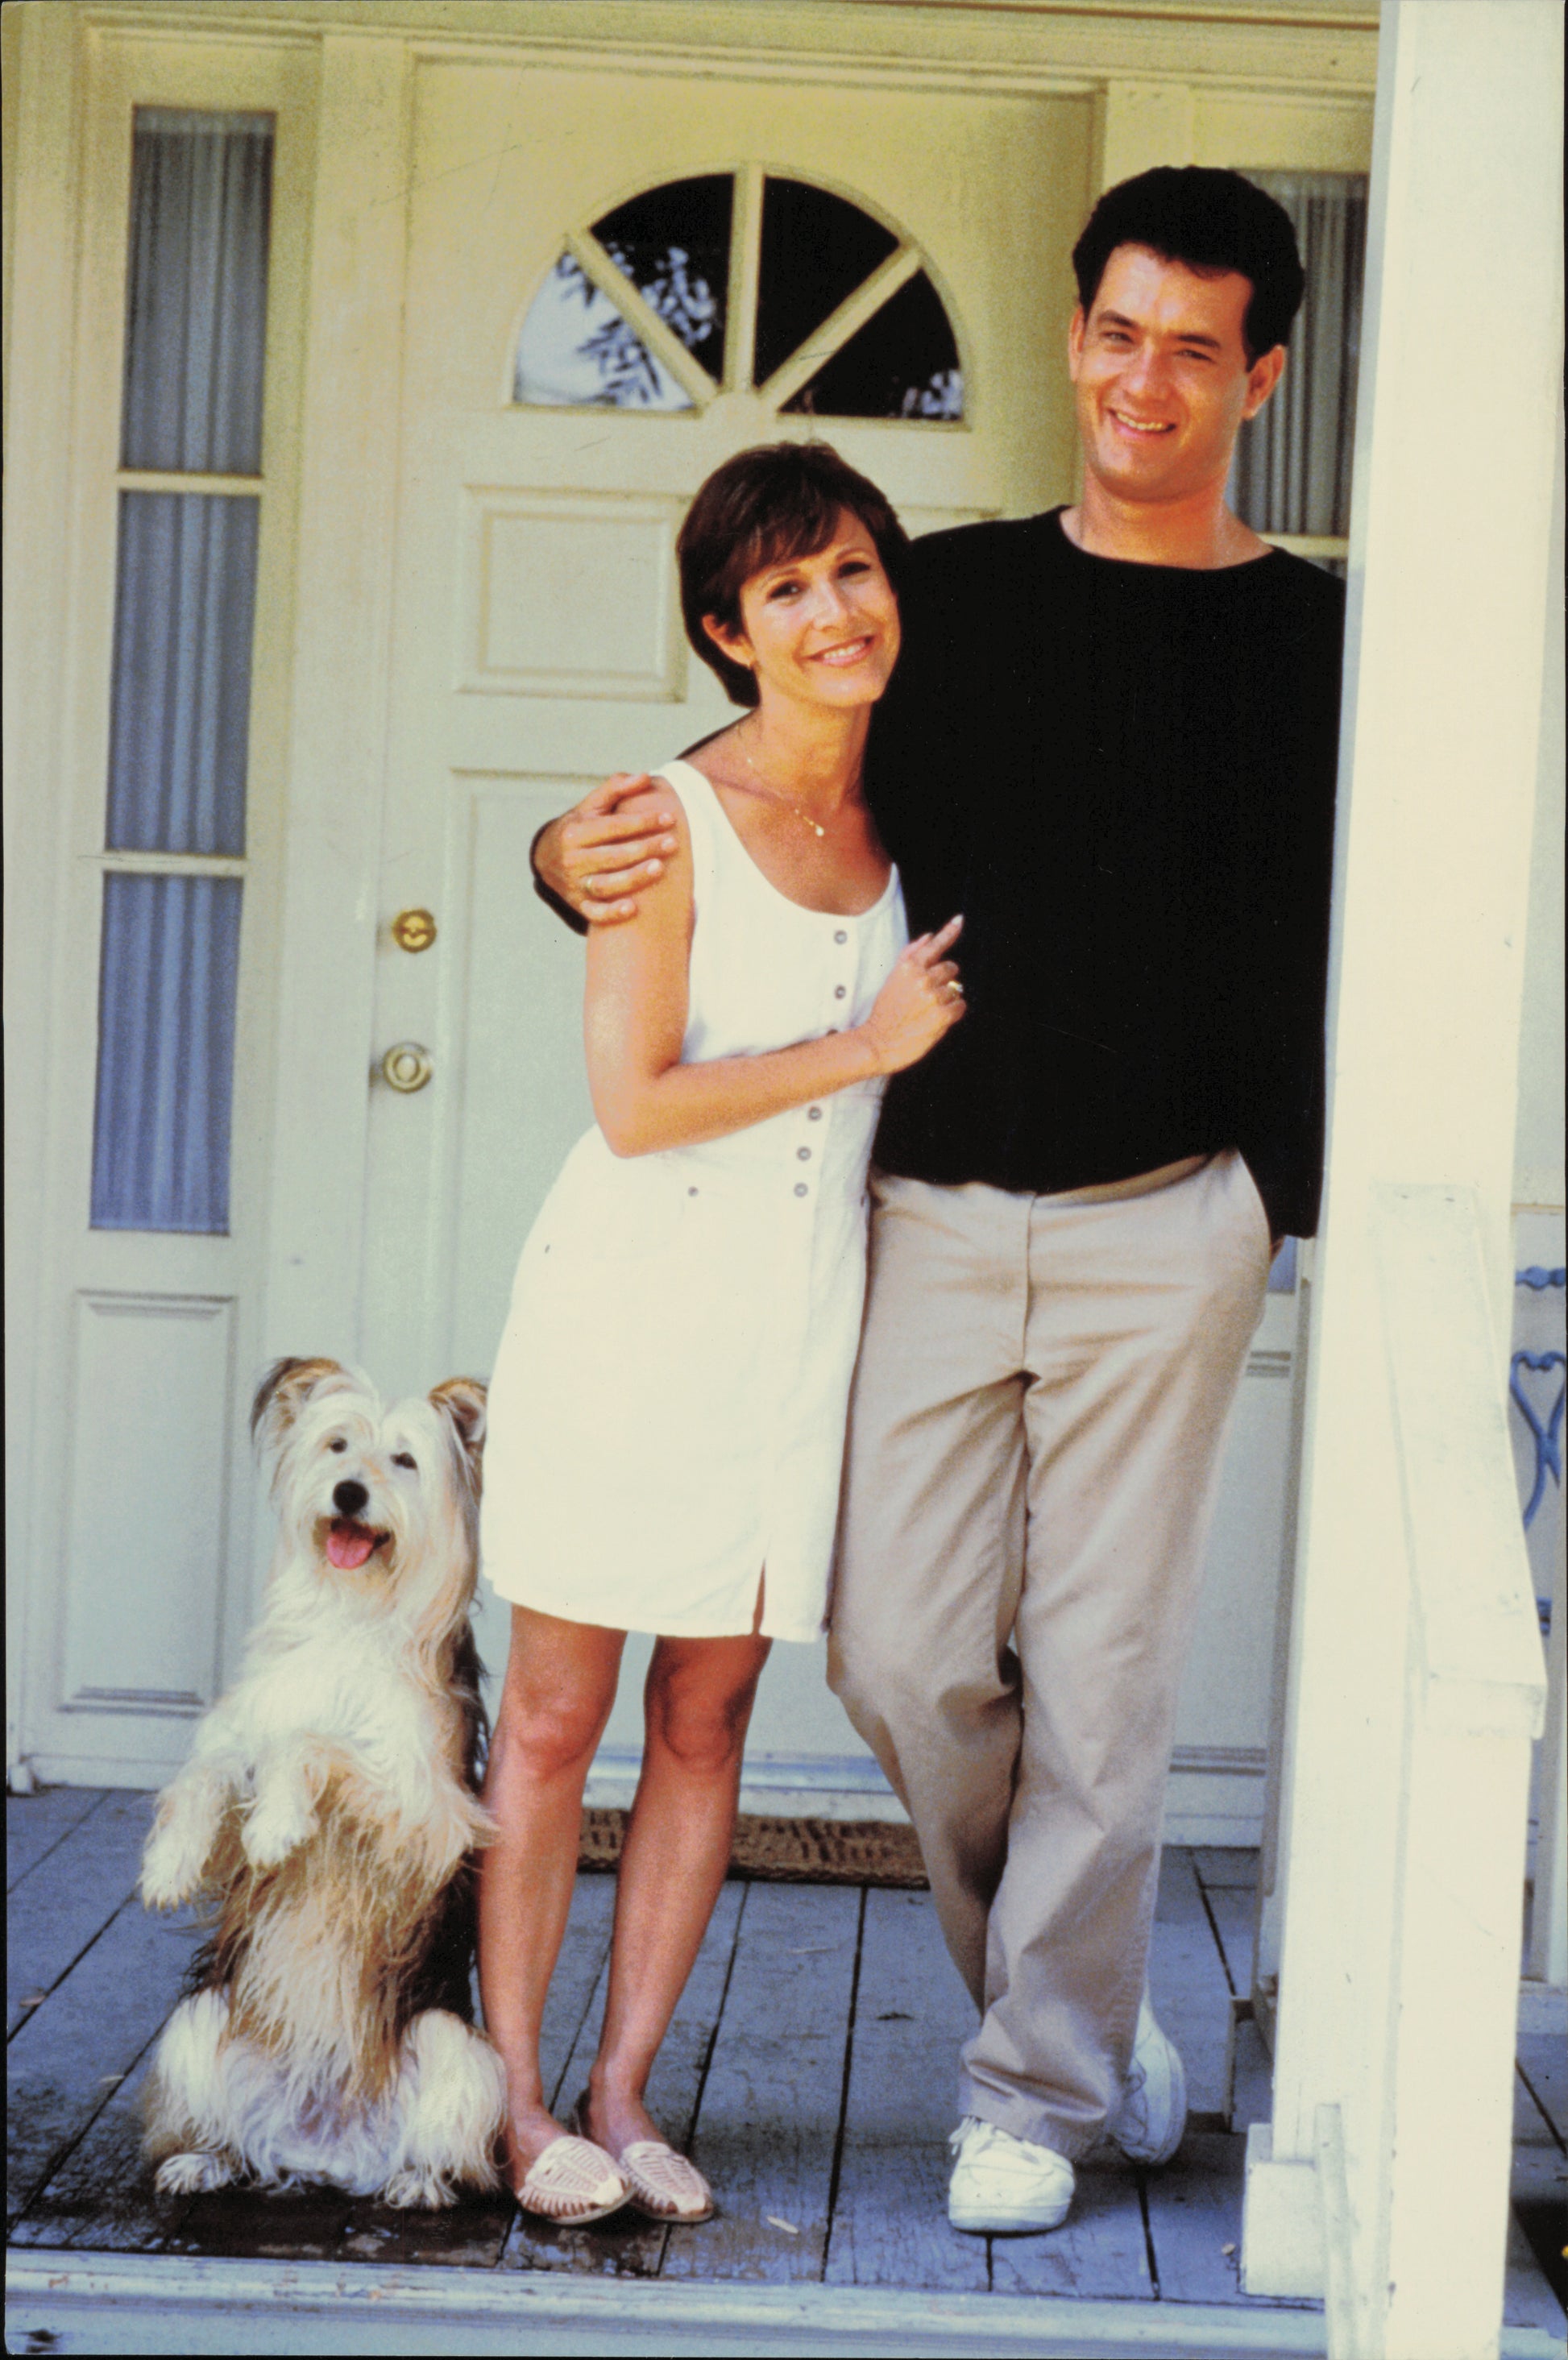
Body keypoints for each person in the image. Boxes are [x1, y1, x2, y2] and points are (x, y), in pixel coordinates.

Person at [533, 166, 1344, 2233]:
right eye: (1116, 331)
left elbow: (1381, 922)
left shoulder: (1318, 638)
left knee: (1103, 1662)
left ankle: (1037, 2087)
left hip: (1173, 1218)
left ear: (1257, 375)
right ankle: (1075, 2003)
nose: (1142, 379)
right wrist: (576, 846)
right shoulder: (953, 595)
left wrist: (1279, 1191)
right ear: (1074, 337)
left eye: (1194, 346)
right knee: (895, 1655)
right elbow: (778, 765)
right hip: (936, 1210)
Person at [479, 442, 964, 2227]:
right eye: (784, 591)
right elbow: (634, 1103)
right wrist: (867, 1045)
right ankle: (522, 2099)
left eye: (852, 573)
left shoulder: (918, 802)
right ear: (723, 629)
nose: (832, 614)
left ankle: (628, 2086)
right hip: (631, 1308)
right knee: (552, 1717)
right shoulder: (657, 822)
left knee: (709, 1715)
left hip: (798, 1324)